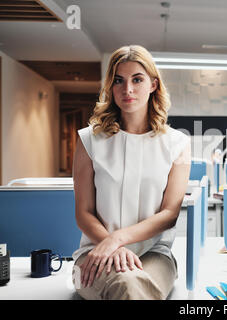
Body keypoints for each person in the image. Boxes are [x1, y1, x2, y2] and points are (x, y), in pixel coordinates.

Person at [71, 45, 191, 300]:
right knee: (125, 285)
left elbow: (169, 214)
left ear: (153, 85)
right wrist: (111, 244)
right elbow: (84, 213)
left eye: (137, 79)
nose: (127, 89)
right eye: (119, 81)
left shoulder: (177, 143)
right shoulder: (89, 140)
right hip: (97, 250)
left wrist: (119, 240)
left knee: (133, 284)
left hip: (154, 254)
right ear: (110, 87)